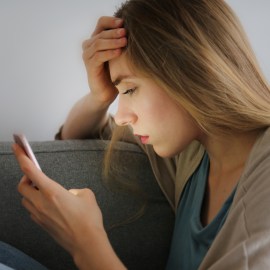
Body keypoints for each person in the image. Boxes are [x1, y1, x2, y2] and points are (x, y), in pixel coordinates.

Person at [2, 0, 270, 269]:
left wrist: (85, 241)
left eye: (129, 90)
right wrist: (100, 97)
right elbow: (80, 134)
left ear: (191, 70)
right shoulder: (193, 154)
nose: (120, 116)